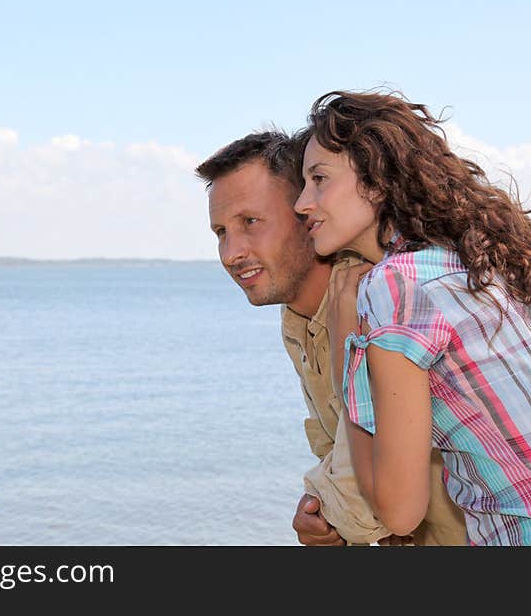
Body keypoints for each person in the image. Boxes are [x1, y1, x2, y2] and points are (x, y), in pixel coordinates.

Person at [293, 89, 531, 545]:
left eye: (319, 179)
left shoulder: (396, 285)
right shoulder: (485, 261)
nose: (302, 203)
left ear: (376, 179)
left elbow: (399, 511)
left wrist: (344, 340)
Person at [196, 131, 467, 545]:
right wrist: (324, 512)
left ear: (308, 213)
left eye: (251, 222)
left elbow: (362, 505)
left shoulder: (371, 300)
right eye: (221, 232)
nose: (232, 252)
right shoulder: (297, 319)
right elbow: (332, 449)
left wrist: (324, 512)